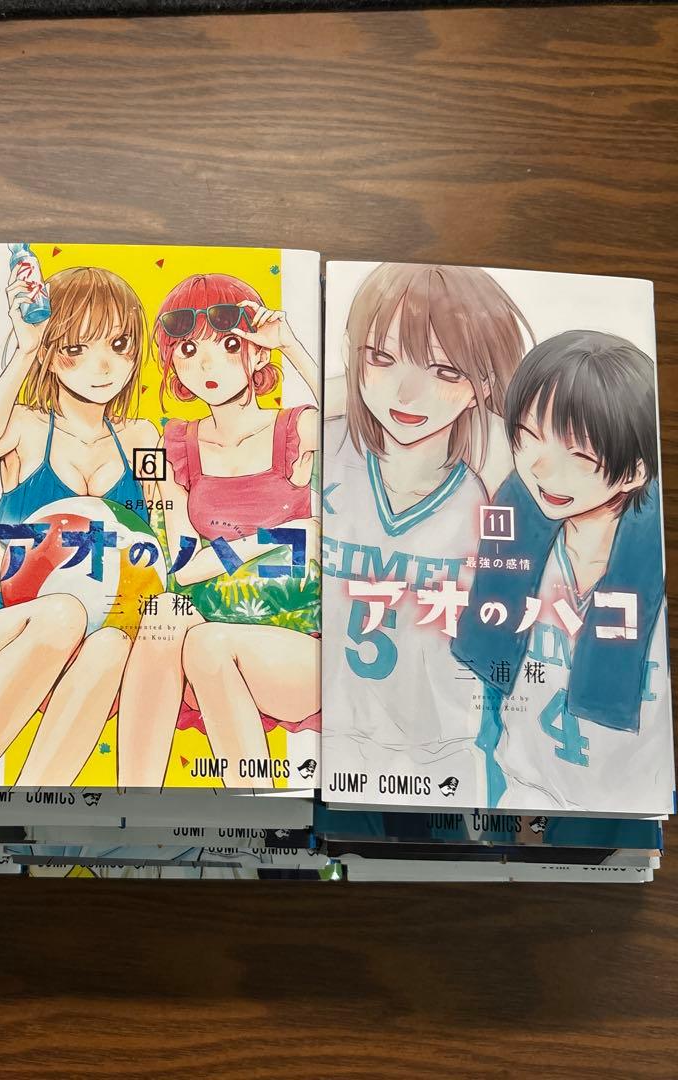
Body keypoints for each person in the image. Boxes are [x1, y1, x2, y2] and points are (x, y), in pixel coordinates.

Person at [321, 263, 534, 792]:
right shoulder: (321, 444)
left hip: (444, 761)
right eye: (381, 357)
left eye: (446, 371)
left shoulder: (494, 478)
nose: (408, 393)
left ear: (484, 384)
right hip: (320, 744)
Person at [117, 272, 321, 790]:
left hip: (295, 645)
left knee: (208, 643)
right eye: (189, 350)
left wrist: (290, 345)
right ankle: (133, 798)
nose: (207, 364)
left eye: (228, 345)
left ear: (256, 352)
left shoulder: (298, 428)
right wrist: (281, 537)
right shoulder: (173, 443)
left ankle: (255, 809)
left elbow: (363, 430)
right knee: (170, 613)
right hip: (202, 635)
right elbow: (184, 568)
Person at [453, 331, 671, 814]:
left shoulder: (657, 560)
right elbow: (488, 683)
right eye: (529, 435)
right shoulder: (515, 523)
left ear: (636, 471)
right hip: (516, 799)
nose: (540, 467)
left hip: (629, 811)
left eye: (580, 454)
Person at [0, 262, 160, 786]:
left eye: (119, 345)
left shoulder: (142, 436)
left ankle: (31, 804)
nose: (104, 366)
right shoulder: (25, 426)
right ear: (51, 354)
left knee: (112, 644)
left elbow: (163, 521)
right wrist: (24, 349)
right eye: (77, 348)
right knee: (61, 614)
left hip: (105, 622)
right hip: (12, 615)